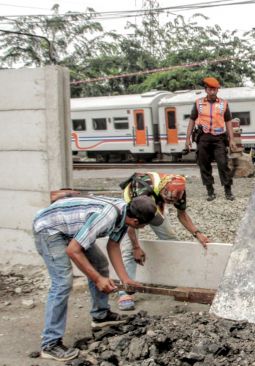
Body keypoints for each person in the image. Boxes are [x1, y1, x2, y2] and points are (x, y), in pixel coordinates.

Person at [33, 195, 160, 362]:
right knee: (62, 282)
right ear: (136, 222)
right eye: (145, 224)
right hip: (50, 228)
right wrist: (98, 279)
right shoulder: (107, 217)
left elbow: (113, 245)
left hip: (70, 228)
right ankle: (50, 344)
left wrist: (125, 279)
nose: (145, 227)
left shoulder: (124, 215)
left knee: (100, 264)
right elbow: (73, 251)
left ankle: (100, 316)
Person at [117, 172, 210, 311]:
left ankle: (175, 278)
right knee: (129, 250)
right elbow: (131, 224)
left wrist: (197, 233)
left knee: (171, 240)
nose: (170, 203)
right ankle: (125, 292)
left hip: (153, 204)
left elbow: (182, 214)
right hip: (132, 208)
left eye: (171, 202)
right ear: (162, 190)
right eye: (167, 200)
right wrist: (136, 247)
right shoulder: (142, 190)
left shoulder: (177, 190)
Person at [185, 76, 237, 201]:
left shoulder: (224, 104)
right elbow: (192, 120)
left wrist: (232, 139)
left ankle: (228, 191)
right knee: (204, 164)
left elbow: (228, 121)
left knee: (223, 164)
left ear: (218, 90)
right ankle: (210, 191)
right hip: (203, 137)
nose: (212, 92)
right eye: (210, 89)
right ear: (206, 90)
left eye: (215, 90)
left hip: (219, 138)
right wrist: (187, 139)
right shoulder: (198, 103)